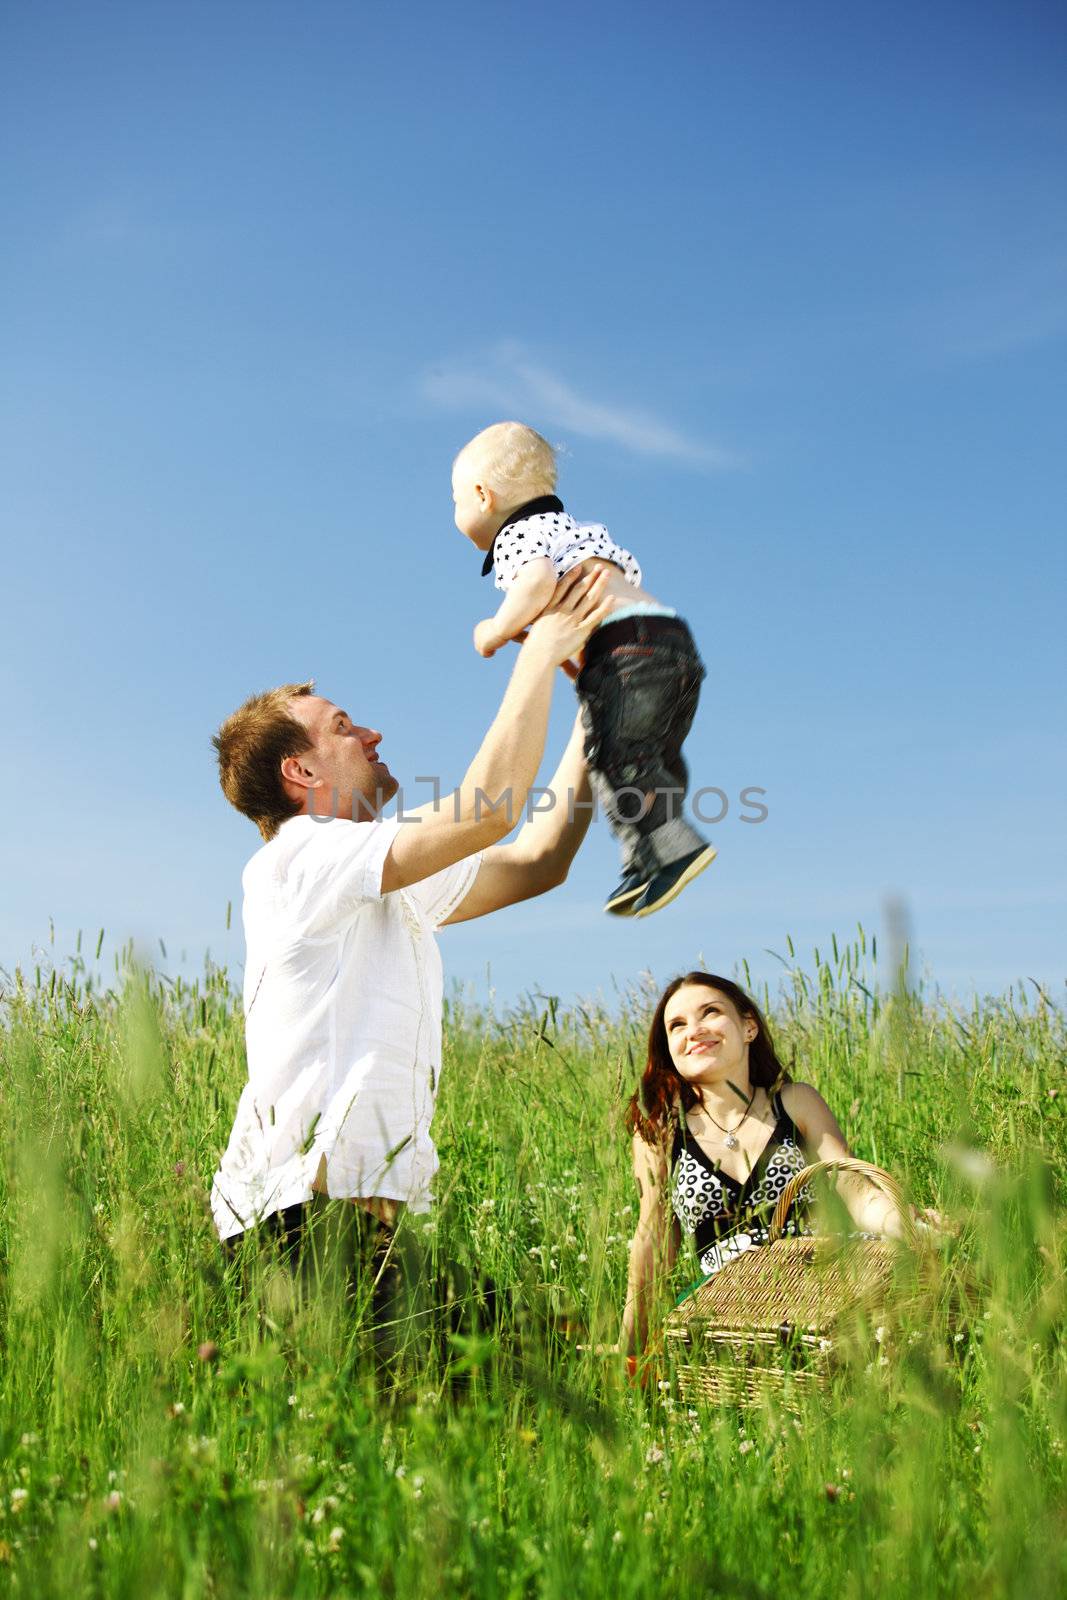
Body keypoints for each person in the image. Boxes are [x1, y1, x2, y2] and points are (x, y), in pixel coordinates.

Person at [209, 569, 612, 1340]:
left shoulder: (377, 880)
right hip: (298, 1228)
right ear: (300, 772)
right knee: (504, 1387)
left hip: (359, 1233)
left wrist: (597, 714)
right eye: (343, 726)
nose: (371, 734)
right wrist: (544, 644)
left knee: (526, 1372)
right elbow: (488, 809)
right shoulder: (300, 858)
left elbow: (537, 860)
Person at [452, 420, 715, 918]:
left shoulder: (518, 537)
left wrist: (493, 631)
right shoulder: (579, 530)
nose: (456, 511)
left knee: (616, 760)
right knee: (649, 758)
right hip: (670, 637)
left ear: (483, 496)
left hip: (626, 651)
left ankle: (674, 849)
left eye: (455, 499)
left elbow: (535, 583)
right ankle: (647, 856)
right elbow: (624, 577)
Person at [619, 972, 914, 1361]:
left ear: (748, 1028)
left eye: (710, 1012)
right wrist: (629, 1347)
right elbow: (653, 1241)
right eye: (677, 1025)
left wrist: (908, 1225)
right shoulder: (660, 1129)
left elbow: (856, 1190)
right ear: (670, 1047)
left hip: (827, 1285)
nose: (694, 1030)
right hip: (730, 1304)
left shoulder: (795, 1102)